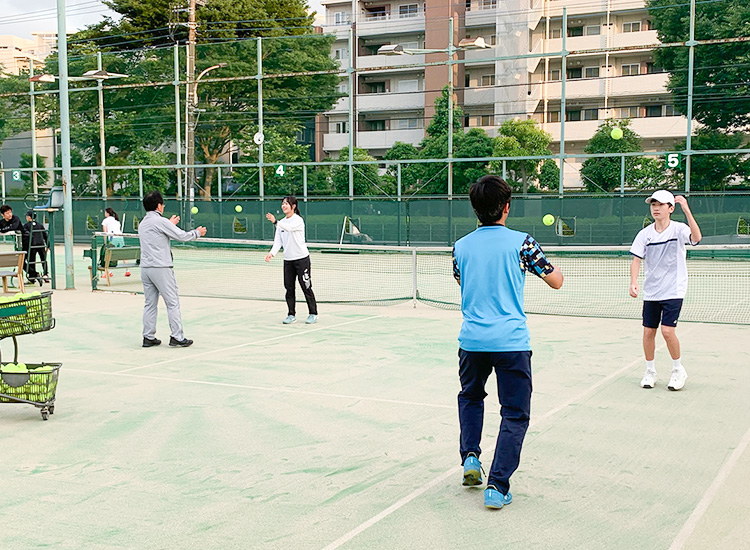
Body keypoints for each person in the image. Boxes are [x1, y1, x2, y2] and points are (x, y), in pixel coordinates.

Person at [452, 175, 563, 510]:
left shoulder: (460, 246)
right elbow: (556, 281)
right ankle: (497, 486)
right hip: (511, 342)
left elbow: (462, 280)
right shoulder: (523, 243)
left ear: (475, 209)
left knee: (471, 397)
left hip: (471, 341)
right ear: (506, 208)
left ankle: (470, 457)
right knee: (514, 414)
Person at [629, 190, 701, 391]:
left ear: (671, 208)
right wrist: (633, 282)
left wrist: (686, 209)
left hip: (674, 289)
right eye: (653, 205)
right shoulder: (645, 234)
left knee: (668, 331)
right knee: (648, 332)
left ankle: (678, 370)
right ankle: (650, 371)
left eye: (660, 205)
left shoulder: (679, 229)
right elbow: (636, 259)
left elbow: (696, 238)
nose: (656, 208)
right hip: (652, 291)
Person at [138, 190, 206, 348]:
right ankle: (177, 336)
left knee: (149, 304)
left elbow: (159, 234)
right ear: (159, 206)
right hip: (161, 267)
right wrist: (197, 233)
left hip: (146, 268)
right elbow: (182, 236)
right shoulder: (160, 222)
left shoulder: (143, 223)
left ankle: (148, 337)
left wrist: (169, 224)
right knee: (172, 302)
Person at [264, 196, 318, 325]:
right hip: (288, 261)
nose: (284, 206)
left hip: (302, 259)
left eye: (287, 204)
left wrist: (275, 221)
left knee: (306, 287)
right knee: (289, 288)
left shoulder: (298, 221)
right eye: (283, 204)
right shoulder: (281, 223)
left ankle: (313, 313)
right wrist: (272, 253)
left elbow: (288, 228)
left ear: (293, 206)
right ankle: (291, 314)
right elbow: (278, 241)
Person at [22, 211, 48, 286]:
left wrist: (24, 247)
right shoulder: (40, 225)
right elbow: (45, 235)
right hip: (41, 245)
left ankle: (32, 277)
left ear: (29, 217)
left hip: (32, 245)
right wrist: (47, 245)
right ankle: (45, 274)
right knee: (43, 259)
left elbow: (25, 237)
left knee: (31, 261)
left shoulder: (26, 226)